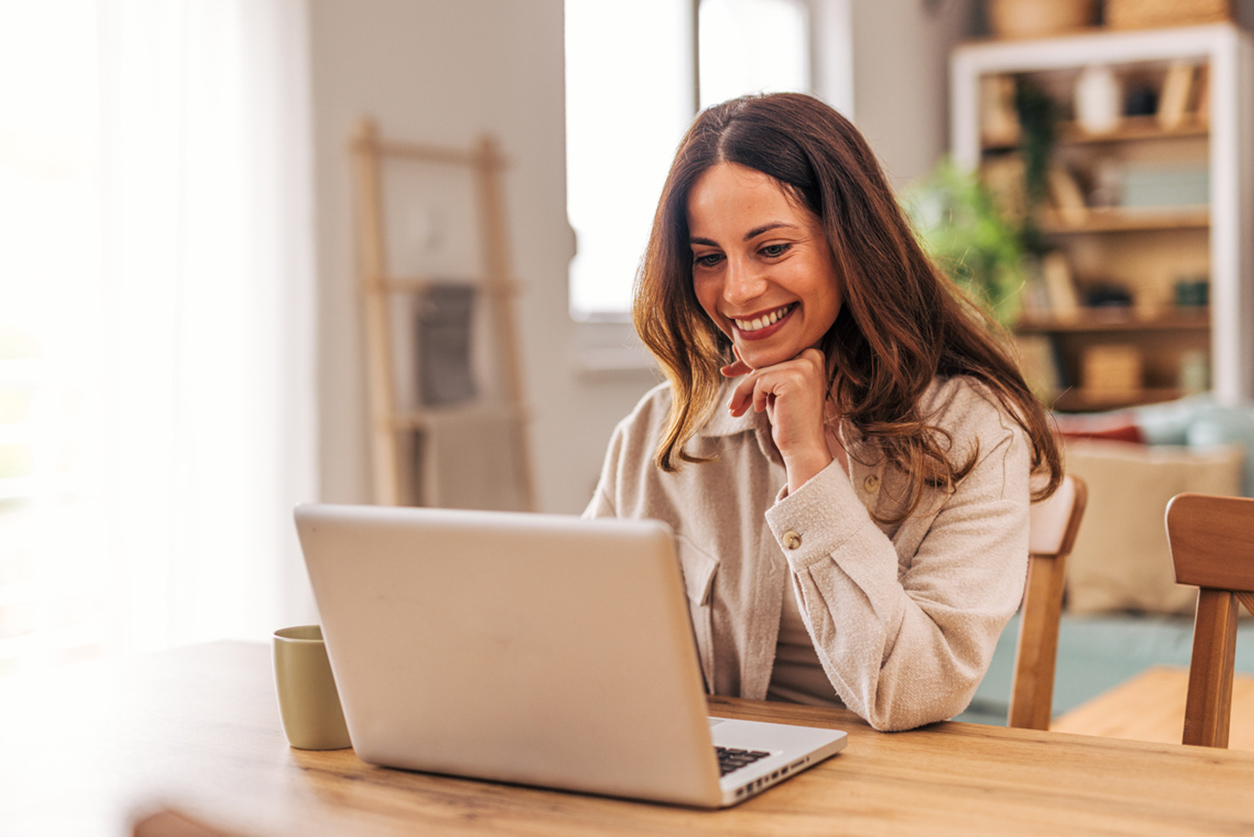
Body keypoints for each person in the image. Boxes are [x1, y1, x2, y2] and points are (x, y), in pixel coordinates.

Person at [583, 92, 1063, 732]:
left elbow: (911, 691)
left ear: (851, 243)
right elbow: (578, 637)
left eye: (772, 248)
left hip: (889, 793)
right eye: (708, 258)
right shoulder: (659, 429)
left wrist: (809, 464)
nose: (737, 291)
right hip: (708, 777)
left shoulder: (974, 430)